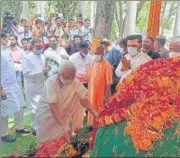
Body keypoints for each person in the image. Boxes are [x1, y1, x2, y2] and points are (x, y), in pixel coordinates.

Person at [36, 60, 98, 144]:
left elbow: (83, 99)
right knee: (46, 143)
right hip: (47, 115)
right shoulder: (51, 82)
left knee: (61, 143)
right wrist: (64, 125)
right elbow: (53, 106)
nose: (70, 79)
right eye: (67, 77)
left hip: (62, 116)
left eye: (72, 77)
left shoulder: (75, 82)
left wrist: (95, 112)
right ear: (59, 74)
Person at [1, 34, 30, 143]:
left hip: (14, 84)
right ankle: (3, 134)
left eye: (6, 38)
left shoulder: (6, 51)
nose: (6, 40)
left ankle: (19, 127)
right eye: (3, 38)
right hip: (4, 86)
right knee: (4, 111)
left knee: (20, 106)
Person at [22, 39, 47, 135]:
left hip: (42, 84)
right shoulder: (27, 58)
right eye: (38, 47)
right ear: (32, 47)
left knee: (42, 106)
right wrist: (41, 71)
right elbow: (27, 73)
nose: (40, 49)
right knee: (34, 108)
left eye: (41, 47)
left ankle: (42, 125)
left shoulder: (43, 56)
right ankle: (35, 127)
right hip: (32, 85)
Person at [87, 46, 113, 125]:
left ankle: (99, 129)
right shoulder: (92, 63)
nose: (96, 55)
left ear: (103, 54)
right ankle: (91, 127)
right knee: (91, 110)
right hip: (92, 94)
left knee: (101, 113)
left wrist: (105, 97)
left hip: (102, 95)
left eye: (98, 54)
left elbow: (109, 83)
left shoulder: (107, 65)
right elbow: (88, 76)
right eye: (95, 53)